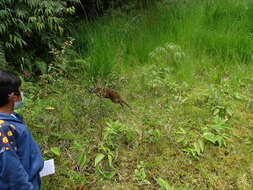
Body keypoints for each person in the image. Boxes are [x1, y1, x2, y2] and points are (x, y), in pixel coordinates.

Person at [0, 69, 44, 190]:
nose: (21, 93)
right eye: (19, 90)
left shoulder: (11, 119)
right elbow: (11, 171)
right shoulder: (3, 128)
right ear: (12, 96)